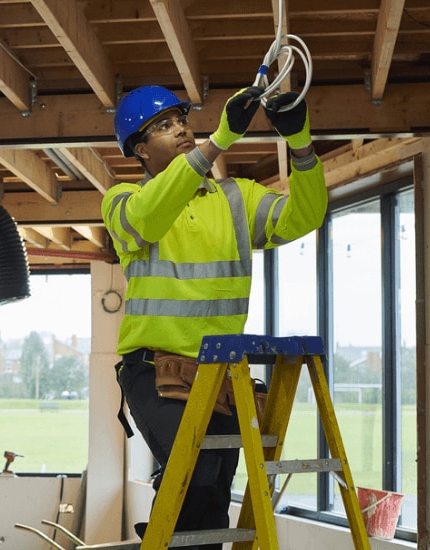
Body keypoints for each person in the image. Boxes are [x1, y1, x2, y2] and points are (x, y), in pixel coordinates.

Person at [102, 85, 327, 548]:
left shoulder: (236, 198)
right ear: (139, 150)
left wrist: (300, 141)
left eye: (181, 119)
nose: (181, 128)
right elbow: (148, 216)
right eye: (162, 126)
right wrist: (220, 140)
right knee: (198, 477)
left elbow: (305, 216)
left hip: (219, 374)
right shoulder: (122, 201)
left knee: (213, 495)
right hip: (154, 369)